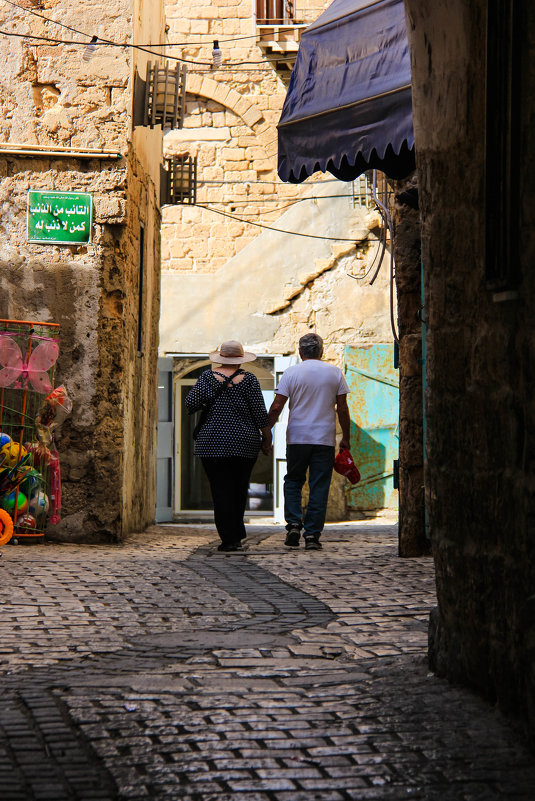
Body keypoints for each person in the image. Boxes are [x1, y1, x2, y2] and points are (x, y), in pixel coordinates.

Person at [185, 340, 271, 552]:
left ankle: (228, 538)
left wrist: (208, 400)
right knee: (239, 488)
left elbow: (190, 404)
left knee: (220, 489)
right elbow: (260, 414)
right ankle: (236, 534)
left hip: (212, 442)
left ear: (220, 357)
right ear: (240, 359)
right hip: (244, 442)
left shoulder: (207, 377)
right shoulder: (249, 379)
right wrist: (267, 439)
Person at [268, 333, 350, 551]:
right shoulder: (334, 373)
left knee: (293, 481)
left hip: (297, 438)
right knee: (319, 486)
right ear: (321, 351)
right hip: (323, 439)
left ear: (300, 351)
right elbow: (342, 408)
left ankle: (294, 523)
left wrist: (267, 430)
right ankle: (312, 535)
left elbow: (277, 406)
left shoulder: (291, 373)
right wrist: (346, 439)